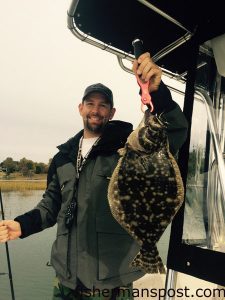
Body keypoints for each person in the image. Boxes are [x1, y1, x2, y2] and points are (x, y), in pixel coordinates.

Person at [0, 52, 188, 300]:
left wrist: (158, 93)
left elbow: (175, 129)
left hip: (112, 286)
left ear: (112, 112)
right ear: (81, 108)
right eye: (90, 104)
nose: (96, 110)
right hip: (65, 282)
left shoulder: (128, 147)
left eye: (103, 105)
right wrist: (21, 225)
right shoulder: (63, 158)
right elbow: (52, 205)